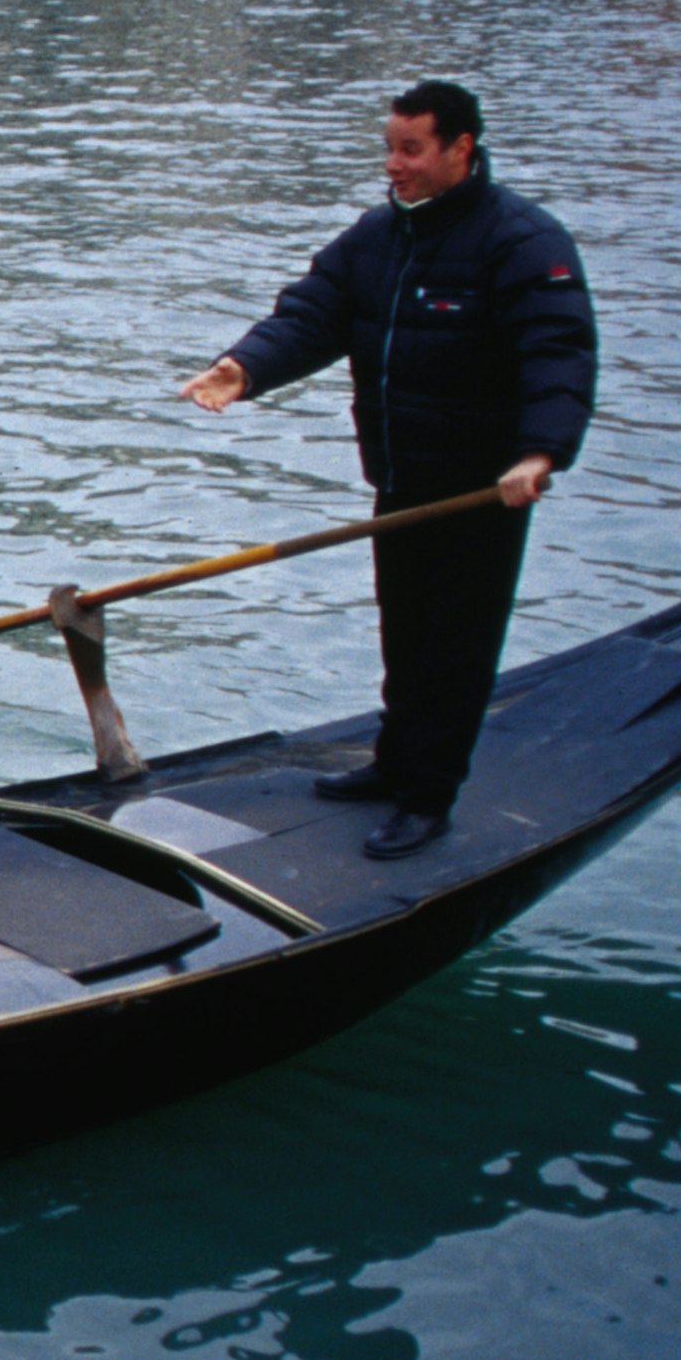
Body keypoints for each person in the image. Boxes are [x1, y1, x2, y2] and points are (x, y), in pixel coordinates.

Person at [180, 79, 597, 859]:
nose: (393, 164)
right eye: (389, 147)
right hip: (400, 476)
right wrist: (242, 369)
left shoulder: (522, 241)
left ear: (459, 151)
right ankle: (394, 760)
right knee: (405, 633)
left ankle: (430, 794)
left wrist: (540, 453)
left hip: (481, 490)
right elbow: (312, 313)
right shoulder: (378, 237)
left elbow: (558, 353)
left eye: (410, 149)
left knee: (457, 646)